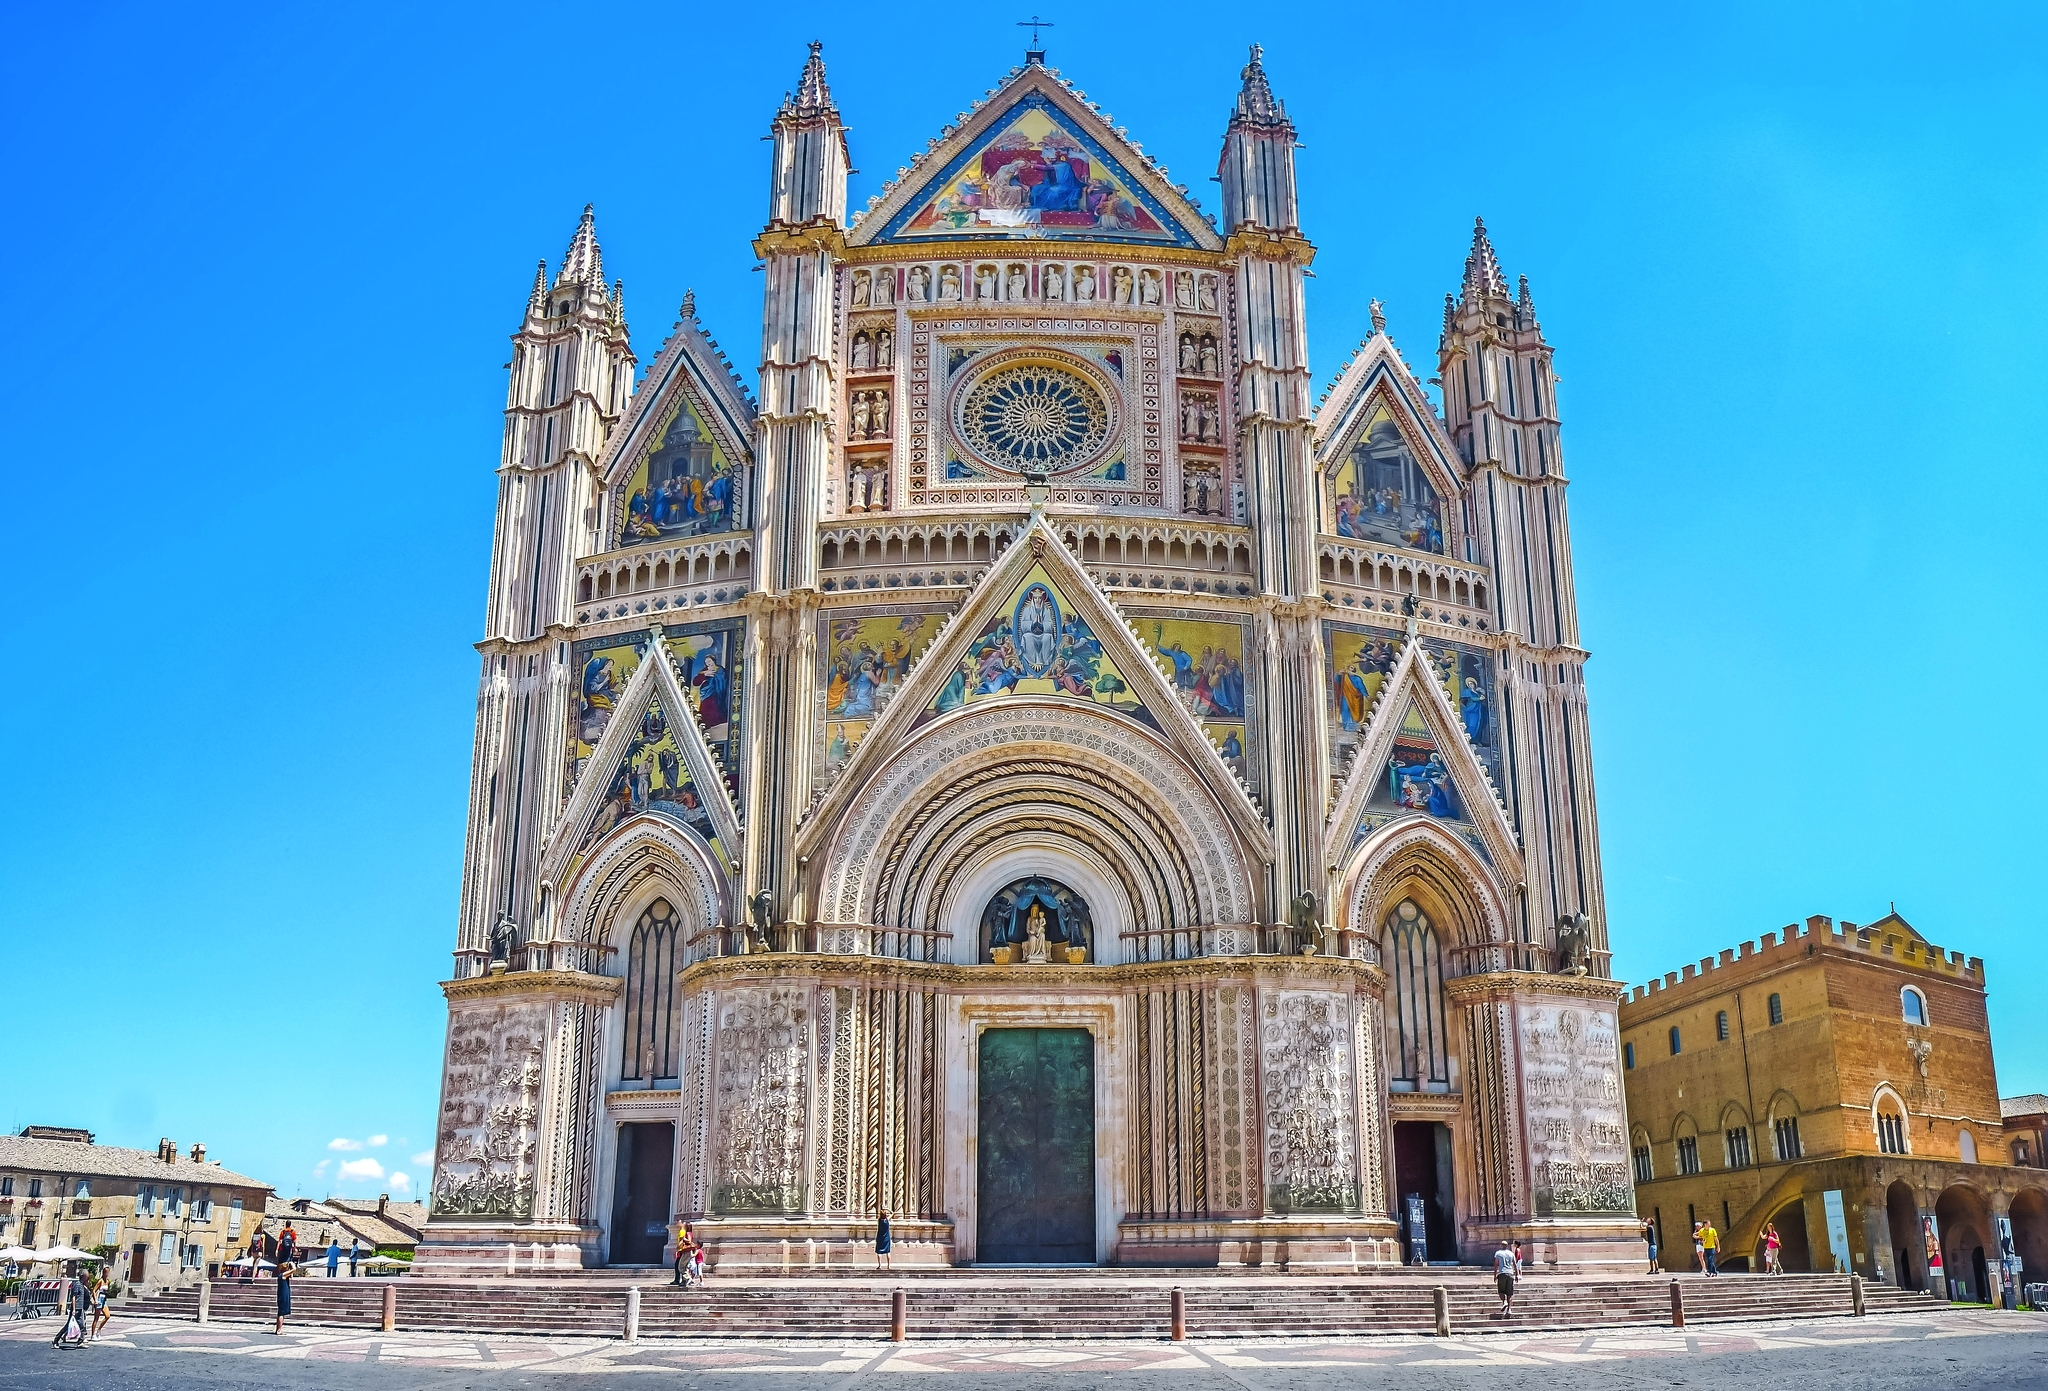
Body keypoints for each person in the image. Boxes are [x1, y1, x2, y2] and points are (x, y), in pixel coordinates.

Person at [1492, 1239, 1519, 1317]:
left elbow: (1496, 1264)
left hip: (1502, 1273)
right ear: (1507, 1246)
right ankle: (1509, 1310)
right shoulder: (1511, 1254)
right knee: (1509, 1293)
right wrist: (1517, 1275)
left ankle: (1504, 1302)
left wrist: (1495, 1275)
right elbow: (1515, 1265)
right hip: (1510, 1273)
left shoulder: (1498, 1253)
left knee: (1501, 1291)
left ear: (1501, 1245)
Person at [273, 1257, 295, 1334]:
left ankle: (278, 1329)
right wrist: (292, 1264)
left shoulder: (282, 1275)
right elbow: (294, 1270)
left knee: (281, 1312)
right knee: (281, 1313)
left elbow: (292, 1276)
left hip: (283, 1294)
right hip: (283, 1294)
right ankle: (279, 1330)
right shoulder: (283, 1275)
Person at [89, 1269, 112, 1340]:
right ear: (103, 1272)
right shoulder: (100, 1281)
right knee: (96, 1318)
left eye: (108, 1272)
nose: (107, 1274)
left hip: (104, 1300)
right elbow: (93, 1290)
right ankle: (93, 1335)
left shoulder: (107, 1281)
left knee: (107, 1316)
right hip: (99, 1300)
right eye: (106, 1272)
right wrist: (95, 1299)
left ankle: (98, 1331)